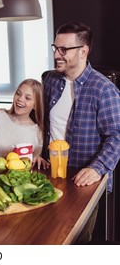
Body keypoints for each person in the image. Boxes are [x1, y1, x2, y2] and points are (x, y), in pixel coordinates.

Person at [42, 22, 120, 242]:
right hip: (51, 175)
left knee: (75, 242)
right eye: (55, 48)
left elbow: (117, 135)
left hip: (82, 180)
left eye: (63, 50)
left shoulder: (104, 89)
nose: (57, 54)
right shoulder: (50, 80)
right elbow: (43, 123)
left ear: (83, 51)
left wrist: (98, 168)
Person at [0, 79, 49, 169]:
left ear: (35, 105)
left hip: (19, 180)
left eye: (27, 98)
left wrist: (39, 159)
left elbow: (33, 162)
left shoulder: (37, 133)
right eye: (18, 94)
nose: (20, 99)